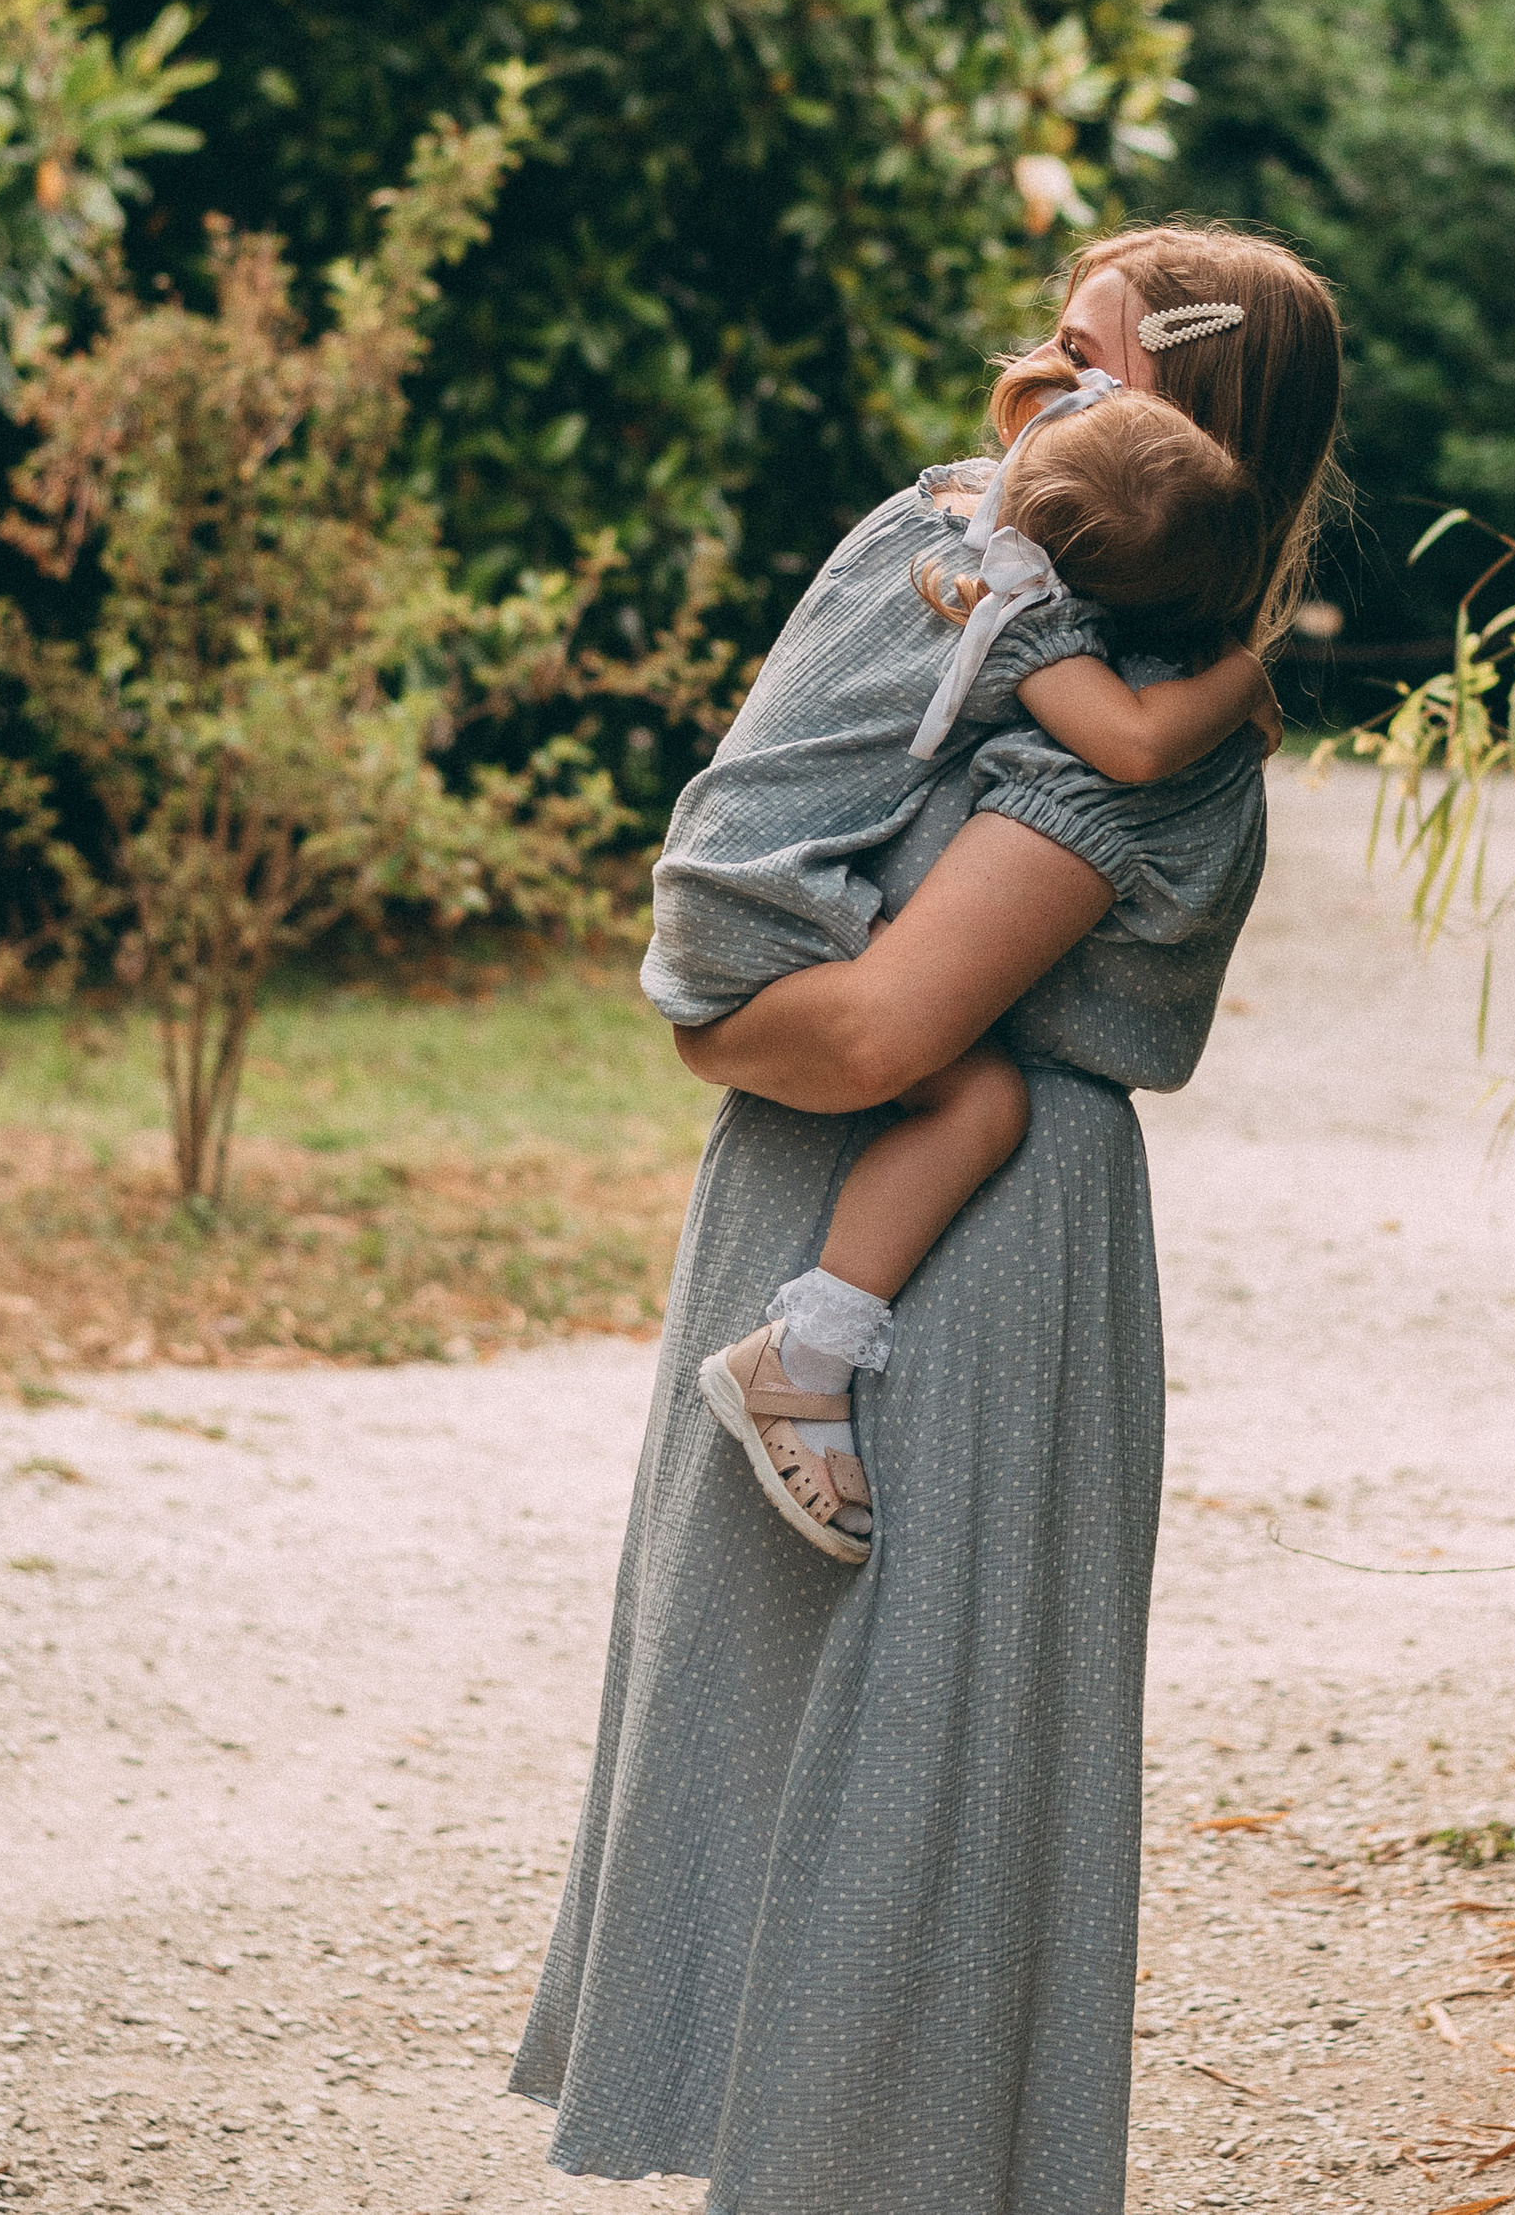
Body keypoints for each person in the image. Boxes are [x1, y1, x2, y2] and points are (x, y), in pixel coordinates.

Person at [512, 220, 1344, 2215]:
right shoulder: (1000, 602)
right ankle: (760, 2157)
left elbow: (888, 1017)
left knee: (911, 1767)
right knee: (753, 1712)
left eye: (1101, 373)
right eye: (1044, 357)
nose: (1048, 402)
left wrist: (718, 1031)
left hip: (959, 1271)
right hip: (829, 1208)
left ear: (1206, 435)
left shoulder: (1150, 741)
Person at [651, 350, 1281, 1567]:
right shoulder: (1016, 616)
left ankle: (803, 1347)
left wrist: (1056, 406)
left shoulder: (943, 530)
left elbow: (1051, 433)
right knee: (979, 1099)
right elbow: (1137, 743)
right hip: (767, 904)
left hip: (723, 874)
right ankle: (806, 1352)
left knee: (955, 1079)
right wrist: (1245, 678)